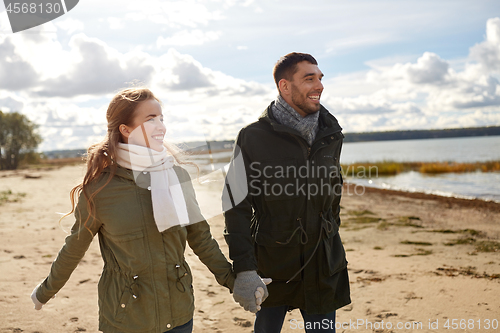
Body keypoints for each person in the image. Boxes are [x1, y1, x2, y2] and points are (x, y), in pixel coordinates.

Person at [30, 88, 235, 333]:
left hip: (179, 311)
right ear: (125, 130)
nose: (161, 126)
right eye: (150, 119)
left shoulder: (176, 176)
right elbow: (74, 247)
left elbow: (201, 237)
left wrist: (234, 281)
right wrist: (45, 291)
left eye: (161, 118)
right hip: (126, 317)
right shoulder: (99, 189)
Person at [222, 52, 351, 332]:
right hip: (273, 262)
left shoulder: (332, 133)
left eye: (320, 78)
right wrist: (244, 267)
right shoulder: (253, 136)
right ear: (285, 86)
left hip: (322, 261)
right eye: (309, 78)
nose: (319, 85)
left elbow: (333, 193)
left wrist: (329, 230)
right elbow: (235, 204)